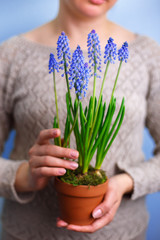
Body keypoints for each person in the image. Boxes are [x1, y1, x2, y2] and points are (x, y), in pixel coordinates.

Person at [0, 0, 160, 239]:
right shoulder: (11, 54)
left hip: (125, 233)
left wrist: (127, 182)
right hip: (26, 232)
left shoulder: (148, 54)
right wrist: (24, 175)